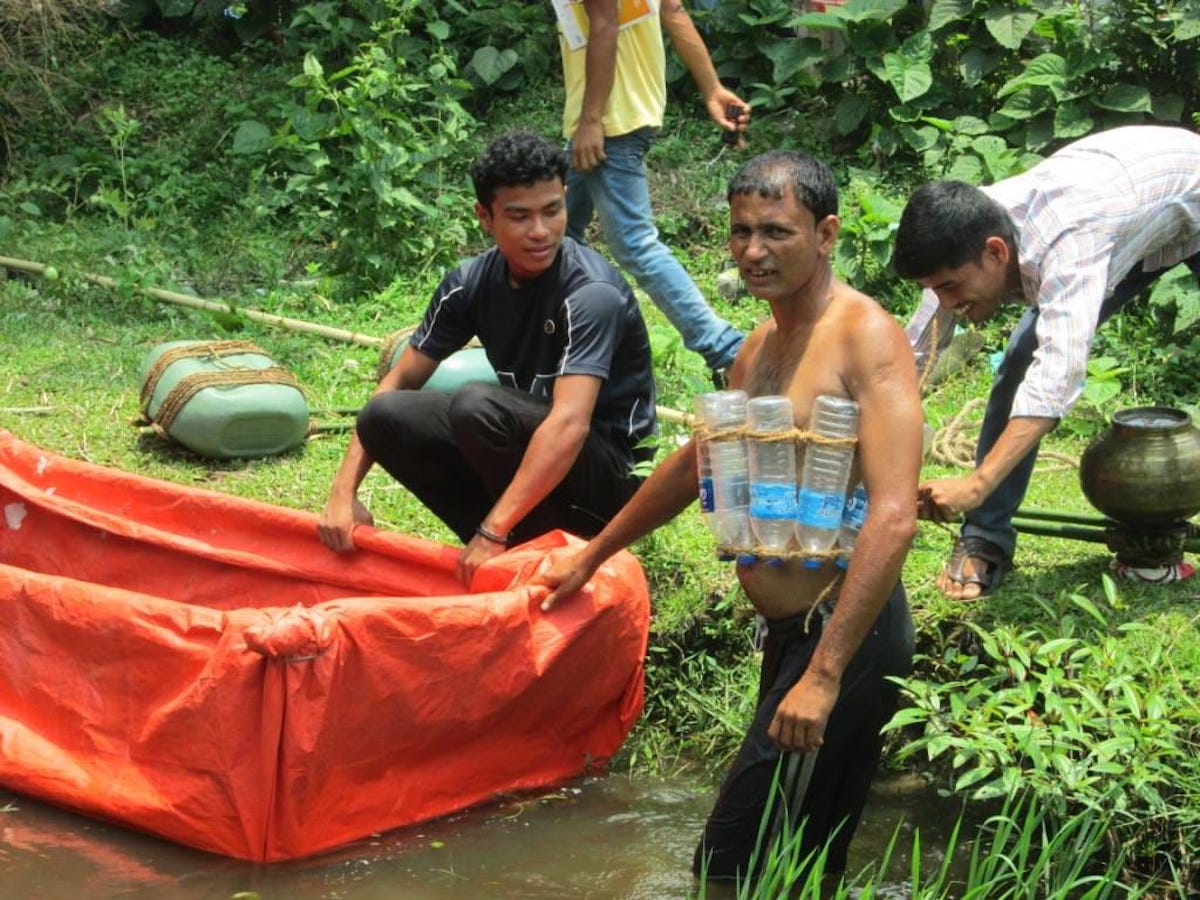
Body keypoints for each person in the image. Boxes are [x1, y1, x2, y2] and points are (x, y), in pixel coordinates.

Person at [532, 150, 922, 883]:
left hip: (844, 631)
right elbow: (697, 461)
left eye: (776, 232)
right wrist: (592, 555)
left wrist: (826, 674)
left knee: (735, 861)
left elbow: (896, 517)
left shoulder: (866, 335)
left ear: (827, 233)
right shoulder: (758, 349)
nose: (752, 251)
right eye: (741, 232)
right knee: (781, 866)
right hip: (790, 632)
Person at [317, 130, 657, 585]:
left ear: (566, 200)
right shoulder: (469, 284)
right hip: (537, 454)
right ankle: (512, 547)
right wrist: (343, 494)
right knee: (385, 416)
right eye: (519, 217)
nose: (540, 231)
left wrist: (491, 529)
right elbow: (395, 385)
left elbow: (570, 423)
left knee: (478, 405)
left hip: (611, 479)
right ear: (485, 216)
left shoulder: (590, 293)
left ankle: (507, 537)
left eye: (552, 210)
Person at [893, 125, 1200, 601]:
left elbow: (1059, 375)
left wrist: (975, 483)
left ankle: (983, 508)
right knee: (1019, 359)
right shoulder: (964, 232)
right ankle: (986, 536)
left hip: (1185, 186)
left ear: (996, 252)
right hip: (1132, 207)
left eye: (950, 287)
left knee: (1037, 361)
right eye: (934, 289)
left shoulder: (1070, 241)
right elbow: (915, 355)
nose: (945, 300)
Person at [557, 0, 747, 384]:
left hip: (608, 120)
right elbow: (673, 10)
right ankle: (549, 335)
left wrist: (591, 119)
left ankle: (728, 351)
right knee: (557, 232)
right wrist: (712, 89)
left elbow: (605, 24)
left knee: (634, 243)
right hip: (614, 114)